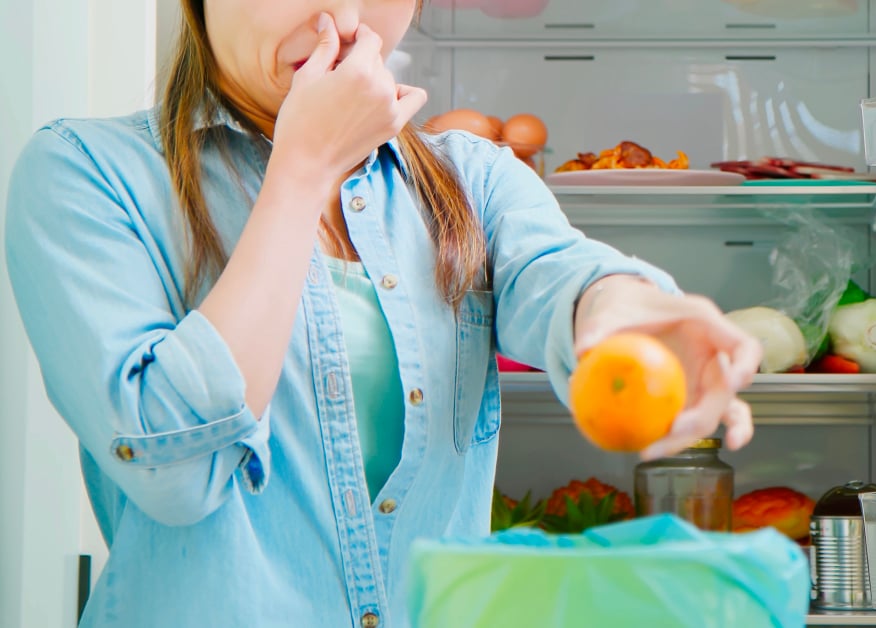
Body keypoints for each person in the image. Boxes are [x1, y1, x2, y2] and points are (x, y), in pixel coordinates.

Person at [4, 1, 762, 625]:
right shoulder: (87, 176)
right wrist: (303, 169)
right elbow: (177, 468)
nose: (339, 15)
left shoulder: (475, 181)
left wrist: (621, 315)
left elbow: (564, 274)